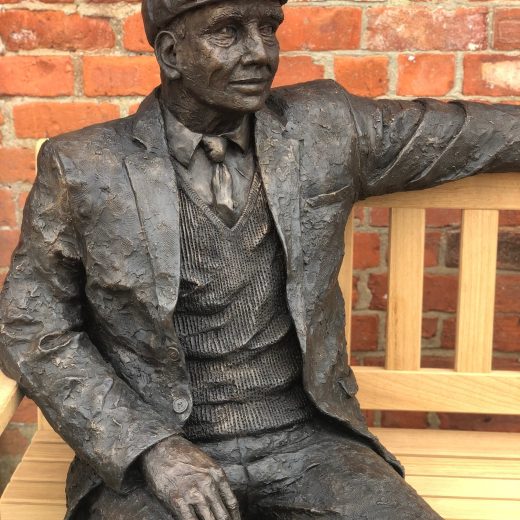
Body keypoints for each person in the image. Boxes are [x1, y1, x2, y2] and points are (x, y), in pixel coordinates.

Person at [1, 0, 519, 519]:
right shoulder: (86, 166)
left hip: (309, 445)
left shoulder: (323, 128)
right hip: (157, 455)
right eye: (228, 31)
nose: (260, 53)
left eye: (268, 29)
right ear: (170, 52)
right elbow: (29, 326)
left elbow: (463, 133)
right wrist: (151, 449)